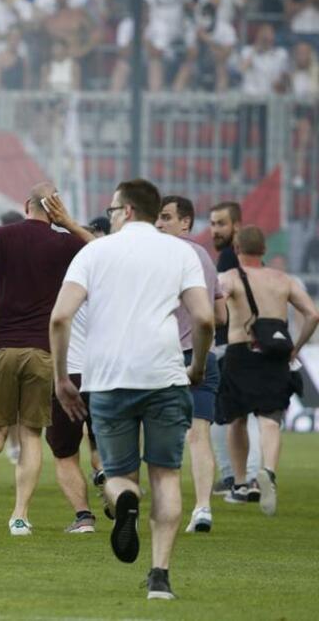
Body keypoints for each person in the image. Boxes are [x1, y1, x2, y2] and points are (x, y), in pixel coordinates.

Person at [51, 179, 213, 601]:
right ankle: (159, 576)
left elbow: (60, 317)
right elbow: (205, 319)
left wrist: (62, 378)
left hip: (108, 378)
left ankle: (125, 500)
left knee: (119, 475)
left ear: (124, 211)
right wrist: (195, 366)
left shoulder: (94, 251)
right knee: (165, 474)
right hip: (164, 374)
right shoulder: (181, 253)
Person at [0, 185, 93, 536]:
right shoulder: (65, 243)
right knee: (31, 435)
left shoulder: (2, 235)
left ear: (24, 205)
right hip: (43, 351)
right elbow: (101, 250)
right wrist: (70, 223)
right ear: (55, 209)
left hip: (0, 347)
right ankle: (19, 516)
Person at [216, 226, 319, 515]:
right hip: (275, 355)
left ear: (237, 250)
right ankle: (268, 473)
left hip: (241, 352)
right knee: (270, 420)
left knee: (236, 419)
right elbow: (313, 314)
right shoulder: (282, 279)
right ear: (264, 251)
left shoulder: (230, 277)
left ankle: (239, 484)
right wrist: (296, 347)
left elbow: (217, 308)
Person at [156, 196, 226, 532]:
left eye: (167, 217)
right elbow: (221, 313)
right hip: (203, 354)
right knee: (199, 435)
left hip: (164, 356)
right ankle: (202, 508)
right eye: (158, 218)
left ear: (186, 222)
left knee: (154, 431)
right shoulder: (205, 259)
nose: (159, 224)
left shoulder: (159, 256)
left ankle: (155, 503)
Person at [208, 200, 263, 498]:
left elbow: (225, 304)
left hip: (232, 343)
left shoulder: (230, 258)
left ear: (237, 227)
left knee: (231, 414)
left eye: (221, 224)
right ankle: (240, 475)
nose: (215, 229)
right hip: (245, 343)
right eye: (213, 223)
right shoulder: (235, 259)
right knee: (238, 414)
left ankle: (243, 477)